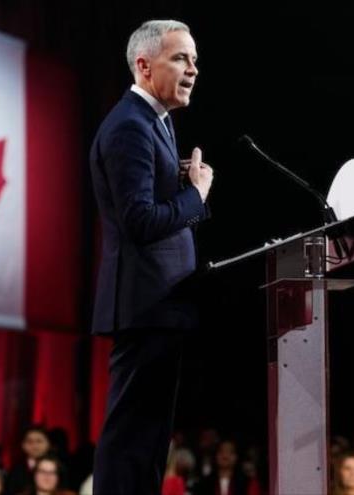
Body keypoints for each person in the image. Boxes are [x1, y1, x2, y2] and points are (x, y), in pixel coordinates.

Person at [89, 18, 213, 495]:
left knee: (148, 441)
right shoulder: (130, 126)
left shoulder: (155, 122)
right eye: (181, 58)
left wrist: (182, 185)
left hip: (162, 305)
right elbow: (139, 221)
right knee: (131, 439)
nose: (193, 69)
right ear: (144, 65)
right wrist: (196, 195)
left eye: (195, 60)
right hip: (144, 304)